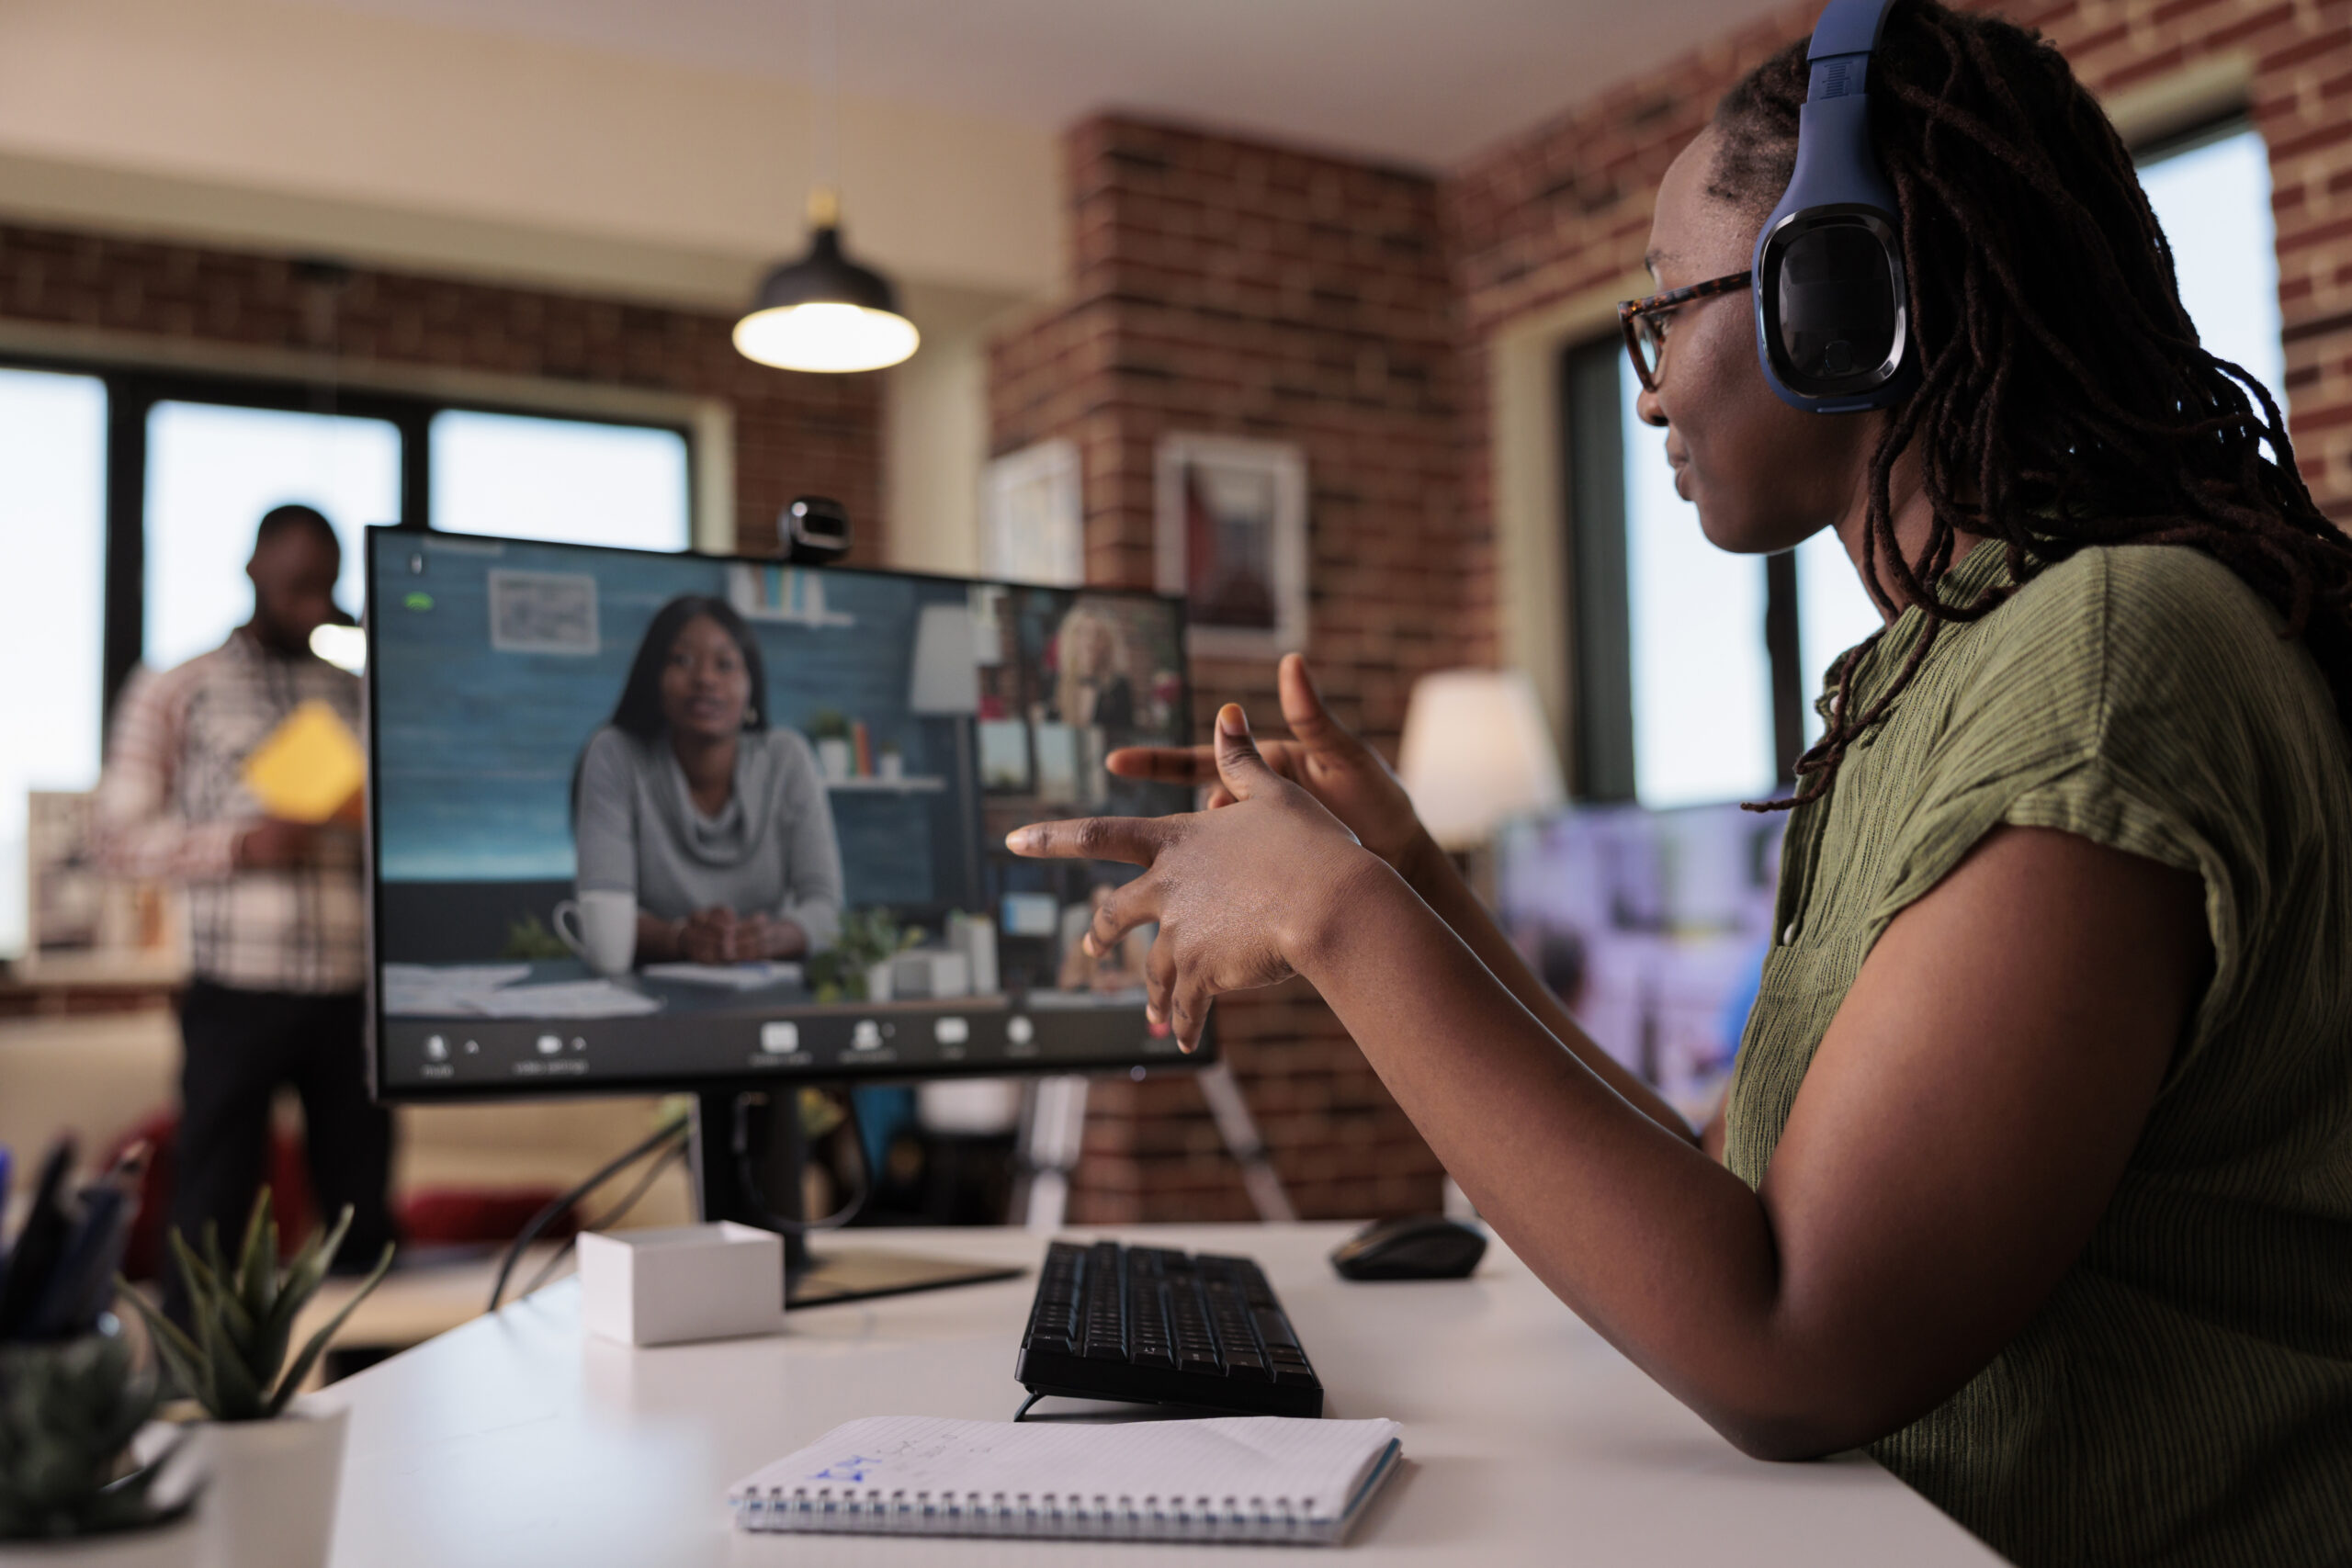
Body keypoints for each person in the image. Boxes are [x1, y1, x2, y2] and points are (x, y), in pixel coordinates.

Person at [1011, 5, 2352, 1563]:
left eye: (1667, 311)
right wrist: (1418, 887)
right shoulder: (1936, 673)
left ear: (1845, 297)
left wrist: (1335, 916)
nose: (1646, 392)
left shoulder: (2111, 649)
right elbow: (1736, 1203)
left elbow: (1794, 1338)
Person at [94, 504, 395, 1314]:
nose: (310, 600)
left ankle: (381, 1396)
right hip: (235, 993)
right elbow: (115, 839)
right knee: (213, 1208)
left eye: (326, 586)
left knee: (363, 1223)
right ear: (255, 570)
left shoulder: (361, 691)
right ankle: (192, 1402)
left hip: (350, 995)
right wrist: (239, 845)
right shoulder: (176, 687)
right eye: (297, 582)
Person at [573, 594, 842, 964]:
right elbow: (603, 906)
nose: (704, 679)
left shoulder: (787, 758)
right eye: (682, 660)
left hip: (768, 989)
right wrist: (680, 938)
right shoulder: (615, 754)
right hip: (650, 995)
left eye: (726, 664)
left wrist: (771, 938)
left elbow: (826, 906)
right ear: (655, 678)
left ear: (751, 685)